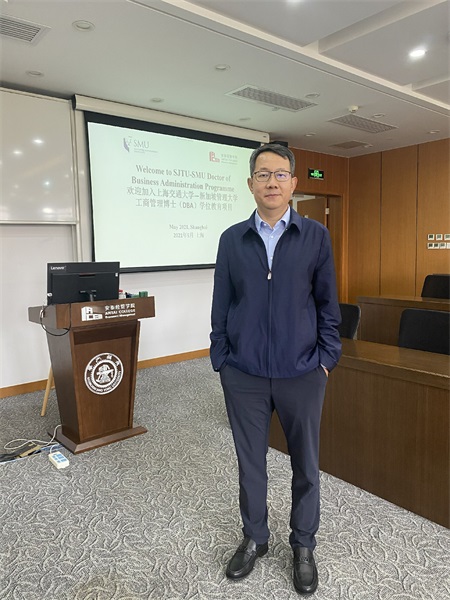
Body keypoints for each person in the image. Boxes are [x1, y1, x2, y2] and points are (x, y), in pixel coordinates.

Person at [210, 143, 342, 595]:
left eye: (280, 174)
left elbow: (327, 303)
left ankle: (303, 545)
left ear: (293, 183)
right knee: (251, 463)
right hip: (243, 373)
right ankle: (255, 538)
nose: (272, 182)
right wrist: (221, 358)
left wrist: (325, 360)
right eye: (263, 174)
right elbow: (222, 303)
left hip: (302, 371)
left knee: (306, 463)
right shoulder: (232, 239)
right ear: (250, 184)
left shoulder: (315, 236)